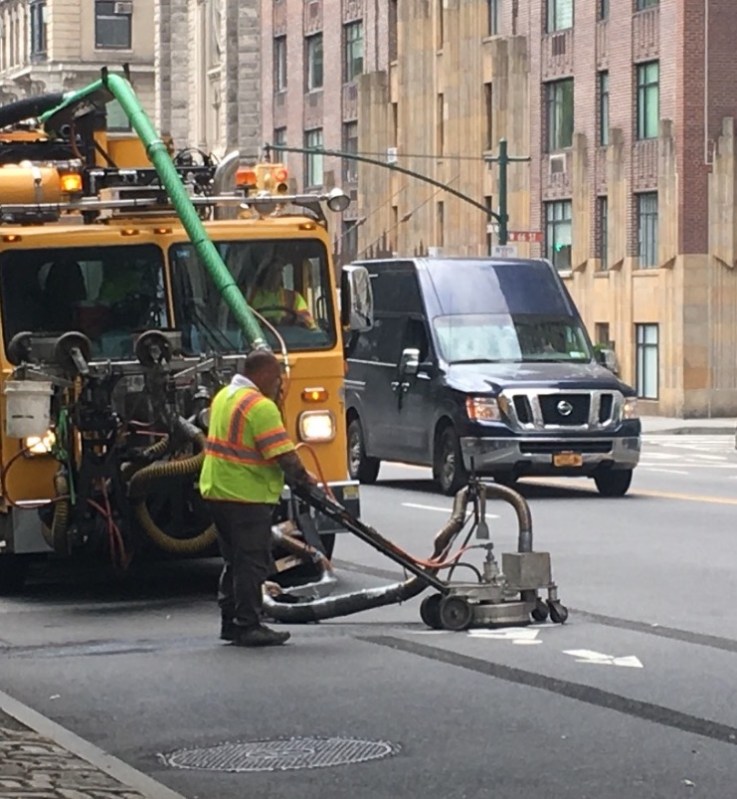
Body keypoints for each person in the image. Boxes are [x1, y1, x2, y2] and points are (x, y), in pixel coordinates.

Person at [199, 349, 320, 647]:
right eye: (277, 379)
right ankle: (249, 624)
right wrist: (307, 481)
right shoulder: (259, 406)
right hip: (245, 495)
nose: (279, 385)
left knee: (234, 561)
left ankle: (231, 622)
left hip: (218, 491)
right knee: (252, 561)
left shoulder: (224, 396)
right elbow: (282, 455)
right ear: (264, 374)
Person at [248, 250, 318, 331]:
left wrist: (291, 320)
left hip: (290, 340)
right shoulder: (250, 296)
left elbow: (309, 324)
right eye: (271, 271)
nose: (275, 275)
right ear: (263, 273)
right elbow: (241, 321)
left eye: (278, 270)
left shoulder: (294, 298)